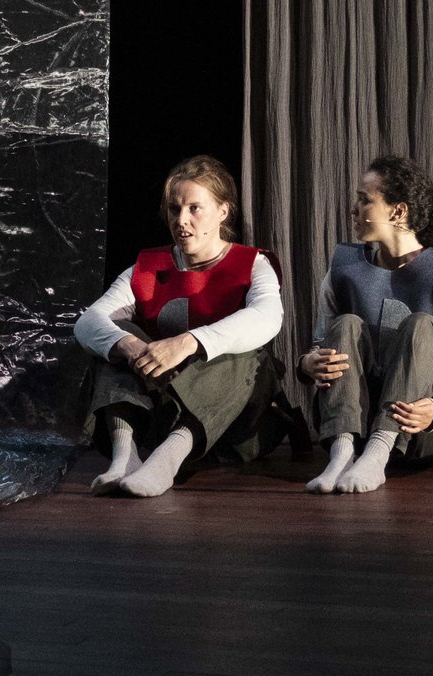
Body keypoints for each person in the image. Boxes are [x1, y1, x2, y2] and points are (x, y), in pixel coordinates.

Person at [72, 155, 286, 498]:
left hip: (228, 426)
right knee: (116, 336)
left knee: (249, 355)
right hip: (159, 414)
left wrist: (188, 342)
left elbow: (267, 317)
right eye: (174, 209)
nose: (181, 220)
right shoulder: (146, 268)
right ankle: (125, 455)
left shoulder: (253, 265)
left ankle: (168, 459)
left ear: (223, 212)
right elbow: (88, 322)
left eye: (194, 208)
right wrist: (128, 346)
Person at [300, 155, 433, 494]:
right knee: (345, 323)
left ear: (398, 211)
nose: (354, 209)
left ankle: (378, 452)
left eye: (365, 200)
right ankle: (342, 453)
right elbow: (320, 342)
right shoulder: (343, 269)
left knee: (419, 324)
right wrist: (308, 362)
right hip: (355, 420)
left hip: (415, 430)